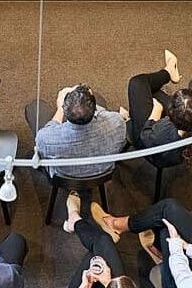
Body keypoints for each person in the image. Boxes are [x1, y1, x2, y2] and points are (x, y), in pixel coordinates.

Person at [33, 83, 127, 231]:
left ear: (65, 109)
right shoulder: (117, 122)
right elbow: (117, 137)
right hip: (101, 173)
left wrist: (59, 108)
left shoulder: (47, 138)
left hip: (63, 176)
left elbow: (42, 147)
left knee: (33, 110)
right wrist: (89, 98)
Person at [122, 50, 192, 175]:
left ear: (171, 115)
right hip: (174, 151)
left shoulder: (162, 132)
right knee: (150, 90)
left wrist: (157, 110)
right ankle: (168, 71)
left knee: (137, 83)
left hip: (150, 149)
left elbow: (145, 135)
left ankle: (168, 72)